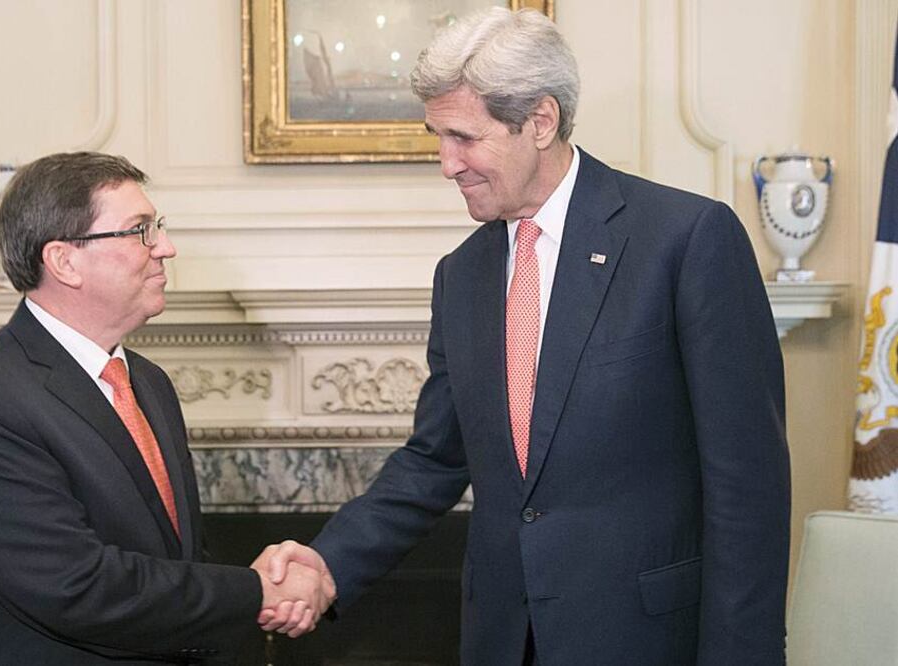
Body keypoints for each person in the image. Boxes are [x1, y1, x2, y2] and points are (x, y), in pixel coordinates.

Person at [262, 7, 790, 665]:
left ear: (539, 121)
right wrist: (326, 563)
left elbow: (747, 484)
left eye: (463, 137)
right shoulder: (462, 274)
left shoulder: (684, 241)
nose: (445, 164)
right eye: (437, 136)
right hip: (503, 641)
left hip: (646, 639)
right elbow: (434, 458)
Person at [0, 152, 330, 665]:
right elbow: (78, 587)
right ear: (65, 261)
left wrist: (258, 589)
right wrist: (255, 591)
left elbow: (170, 557)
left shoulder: (148, 383)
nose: (166, 248)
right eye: (140, 231)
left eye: (157, 227)